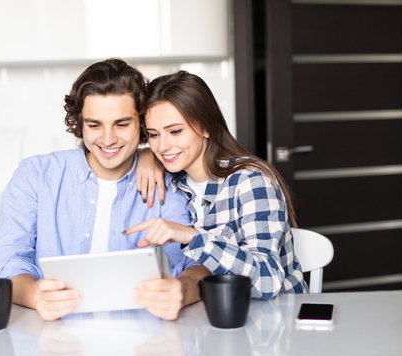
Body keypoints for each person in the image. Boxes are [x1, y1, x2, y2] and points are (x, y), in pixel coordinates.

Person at [0, 60, 210, 321]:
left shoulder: (171, 181)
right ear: (80, 123)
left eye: (122, 124)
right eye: (94, 125)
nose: (107, 139)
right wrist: (34, 294)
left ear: (142, 124)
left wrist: (183, 289)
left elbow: (201, 260)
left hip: (149, 337)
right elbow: (5, 259)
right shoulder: (36, 176)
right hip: (52, 336)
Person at [124, 71, 307, 300]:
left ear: (207, 127)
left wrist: (191, 236)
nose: (162, 146)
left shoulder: (250, 181)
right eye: (153, 134)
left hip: (279, 320)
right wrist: (143, 155)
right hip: (216, 321)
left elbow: (268, 281)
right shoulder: (173, 182)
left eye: (175, 131)